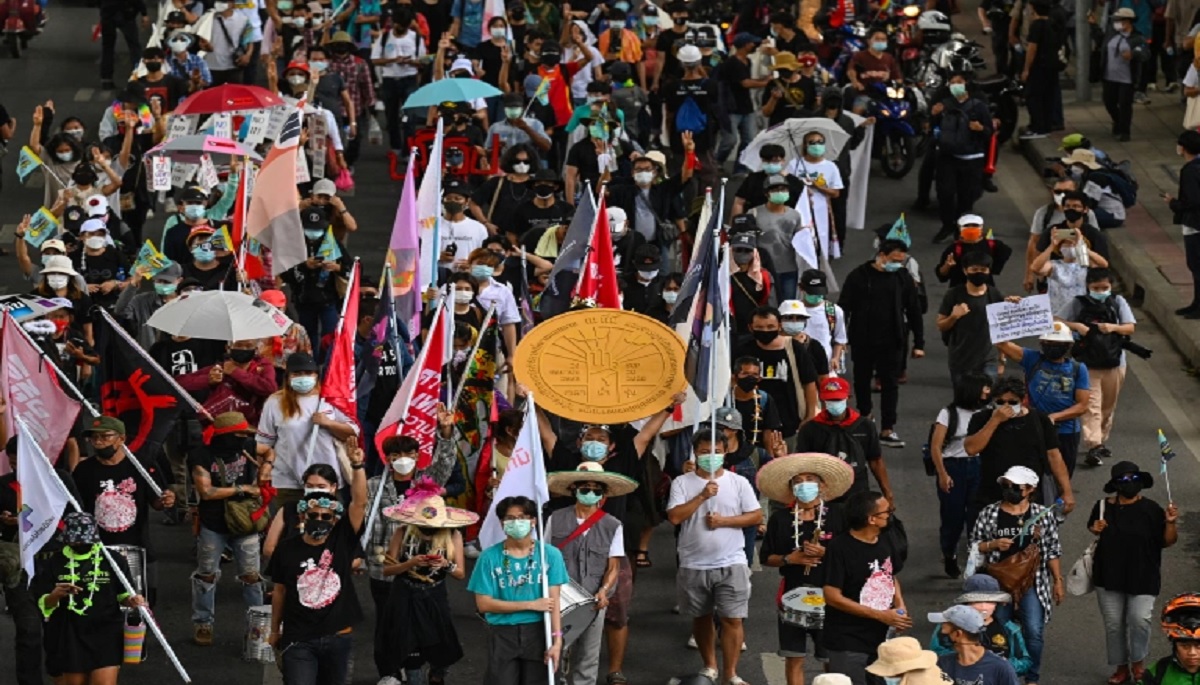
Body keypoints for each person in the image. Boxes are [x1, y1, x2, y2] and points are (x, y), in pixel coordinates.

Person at [666, 431, 763, 685]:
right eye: (706, 452)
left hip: (731, 561)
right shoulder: (682, 483)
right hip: (693, 562)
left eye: (717, 452)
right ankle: (709, 666)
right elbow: (675, 517)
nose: (712, 456)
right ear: (695, 453)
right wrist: (701, 497)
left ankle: (731, 673)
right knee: (701, 617)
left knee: (733, 617)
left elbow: (755, 516)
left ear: (726, 452)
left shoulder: (738, 482)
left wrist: (724, 522)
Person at [266, 445, 367, 685]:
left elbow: (360, 503)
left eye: (326, 517)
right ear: (302, 517)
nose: (319, 520)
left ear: (334, 520)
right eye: (313, 516)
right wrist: (273, 630)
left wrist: (357, 466)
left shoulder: (342, 539)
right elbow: (280, 591)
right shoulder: (286, 549)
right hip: (298, 637)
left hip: (338, 636)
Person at [757, 453, 855, 685]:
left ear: (822, 485)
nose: (804, 485)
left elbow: (854, 553)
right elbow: (766, 557)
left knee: (831, 656)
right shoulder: (780, 519)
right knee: (794, 656)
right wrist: (790, 559)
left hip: (831, 595)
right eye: (798, 481)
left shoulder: (840, 515)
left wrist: (826, 553)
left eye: (810, 478)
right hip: (792, 594)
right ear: (791, 488)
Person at [969, 466, 1064, 685]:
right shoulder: (990, 513)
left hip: (1032, 582)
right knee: (997, 629)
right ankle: (1002, 676)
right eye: (1006, 485)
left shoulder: (1042, 515)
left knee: (1034, 631)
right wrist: (992, 544)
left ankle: (1031, 678)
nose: (1009, 490)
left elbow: (1052, 550)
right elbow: (974, 545)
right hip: (997, 585)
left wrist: (1057, 581)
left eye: (1015, 486)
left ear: (1030, 489)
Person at [376, 477, 476, 685]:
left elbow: (459, 573)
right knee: (409, 648)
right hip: (405, 594)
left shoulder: (453, 534)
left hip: (434, 594)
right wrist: (410, 563)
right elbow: (386, 570)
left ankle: (437, 673)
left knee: (443, 646)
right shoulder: (403, 532)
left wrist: (444, 565)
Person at [546, 463, 638, 685]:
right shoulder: (555, 518)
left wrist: (604, 591)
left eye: (596, 489)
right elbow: (544, 556)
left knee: (589, 656)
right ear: (574, 489)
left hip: (592, 599)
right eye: (585, 487)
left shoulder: (612, 525)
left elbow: (613, 565)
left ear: (603, 495)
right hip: (559, 597)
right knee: (553, 649)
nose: (590, 493)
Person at [1088, 461, 1179, 684]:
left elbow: (1167, 542)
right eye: (1124, 480)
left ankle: (1138, 665)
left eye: (1134, 479)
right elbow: (1092, 528)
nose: (1130, 483)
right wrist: (1095, 528)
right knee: (1113, 625)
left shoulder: (1152, 510)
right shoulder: (1102, 507)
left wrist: (1170, 523)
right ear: (1115, 484)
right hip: (1108, 576)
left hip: (1143, 575)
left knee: (1139, 620)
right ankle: (1121, 668)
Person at [31, 512, 147, 684]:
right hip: (69, 632)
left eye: (85, 540)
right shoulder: (53, 562)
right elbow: (43, 604)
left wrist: (132, 601)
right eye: (76, 540)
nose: (80, 543)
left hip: (105, 630)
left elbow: (123, 594)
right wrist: (55, 596)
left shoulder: (113, 560)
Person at [71, 416, 175, 605]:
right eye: (93, 438)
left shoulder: (141, 466)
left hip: (138, 547)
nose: (99, 442)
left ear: (121, 438)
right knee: (102, 602)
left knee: (143, 603)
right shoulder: (83, 470)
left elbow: (157, 503)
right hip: (98, 549)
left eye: (105, 436)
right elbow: (78, 510)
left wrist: (167, 500)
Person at [188, 411, 271, 646]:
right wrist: (244, 489)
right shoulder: (201, 455)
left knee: (252, 577)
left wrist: (267, 467)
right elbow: (206, 492)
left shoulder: (246, 445)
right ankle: (203, 622)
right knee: (206, 574)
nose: (243, 439)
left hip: (245, 523)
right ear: (225, 436)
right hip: (213, 523)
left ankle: (258, 627)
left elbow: (268, 450)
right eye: (239, 435)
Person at [467, 495, 567, 684]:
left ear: (533, 521)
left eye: (522, 517)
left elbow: (554, 602)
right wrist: (531, 604)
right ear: (502, 523)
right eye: (510, 518)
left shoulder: (550, 554)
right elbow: (483, 604)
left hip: (539, 631)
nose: (517, 522)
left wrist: (557, 641)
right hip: (502, 632)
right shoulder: (488, 557)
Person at [839, 240, 926, 448]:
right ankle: (866, 418)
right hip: (862, 339)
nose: (897, 264)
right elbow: (844, 308)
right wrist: (840, 339)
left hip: (893, 340)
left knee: (890, 384)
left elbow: (914, 310)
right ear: (881, 255)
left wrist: (919, 342)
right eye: (894, 260)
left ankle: (888, 428)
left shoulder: (902, 277)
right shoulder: (859, 276)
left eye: (901, 261)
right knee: (861, 381)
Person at [822, 490, 910, 684]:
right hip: (848, 641)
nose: (890, 515)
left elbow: (890, 575)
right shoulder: (839, 548)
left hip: (880, 639)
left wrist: (899, 606)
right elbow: (831, 595)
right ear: (871, 519)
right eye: (887, 512)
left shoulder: (885, 539)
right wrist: (881, 615)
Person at [963, 376, 1075, 522]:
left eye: (1012, 402)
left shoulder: (1040, 420)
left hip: (1031, 495)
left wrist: (1067, 491)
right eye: (1000, 402)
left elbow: (1054, 456)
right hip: (992, 493)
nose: (1006, 406)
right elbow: (971, 448)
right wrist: (995, 421)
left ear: (1023, 401)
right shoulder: (982, 418)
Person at [995, 322, 1090, 493]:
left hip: (1065, 432)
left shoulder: (1078, 369)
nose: (1053, 348)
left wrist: (1054, 417)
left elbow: (1082, 405)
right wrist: (1009, 311)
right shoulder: (1032, 359)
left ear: (1068, 346)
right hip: (1034, 427)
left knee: (1062, 478)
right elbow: (1001, 343)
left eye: (1058, 345)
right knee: (1030, 476)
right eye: (1049, 344)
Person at [256, 353, 359, 509]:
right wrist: (264, 469)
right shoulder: (274, 402)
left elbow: (351, 433)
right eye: (297, 373)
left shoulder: (330, 399)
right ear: (288, 376)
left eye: (308, 373)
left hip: (326, 481)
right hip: (288, 482)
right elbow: (264, 443)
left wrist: (329, 423)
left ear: (316, 375)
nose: (303, 377)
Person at [1058, 269, 1136, 468]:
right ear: (1088, 287)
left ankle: (1100, 440)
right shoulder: (1078, 302)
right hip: (1087, 363)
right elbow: (1056, 320)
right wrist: (1076, 326)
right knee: (1092, 405)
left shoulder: (1118, 302)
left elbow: (1130, 327)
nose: (1100, 291)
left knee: (1107, 406)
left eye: (1105, 288)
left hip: (1115, 362)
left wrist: (1113, 328)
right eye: (1096, 288)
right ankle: (1094, 444)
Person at [930, 374, 992, 578]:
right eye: (984, 387)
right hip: (954, 467)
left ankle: (976, 559)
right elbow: (936, 446)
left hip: (979, 465)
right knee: (953, 518)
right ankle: (949, 553)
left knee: (978, 517)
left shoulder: (988, 412)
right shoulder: (948, 413)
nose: (988, 391)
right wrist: (942, 474)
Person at [732, 306, 820, 449]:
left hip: (789, 422)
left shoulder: (794, 348)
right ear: (750, 327)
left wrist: (810, 416)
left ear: (779, 326)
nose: (765, 331)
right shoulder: (742, 350)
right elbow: (732, 381)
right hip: (752, 423)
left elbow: (809, 383)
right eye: (759, 327)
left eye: (770, 326)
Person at [794, 377, 892, 504]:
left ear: (848, 398)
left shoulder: (865, 426)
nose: (834, 403)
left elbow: (875, 461)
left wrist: (888, 493)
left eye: (837, 399)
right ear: (822, 400)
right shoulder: (810, 429)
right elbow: (803, 465)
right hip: (825, 494)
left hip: (858, 491)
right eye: (830, 400)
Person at [930, 73, 994, 243]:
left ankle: (961, 227)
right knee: (945, 192)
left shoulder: (979, 107)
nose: (955, 85)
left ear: (966, 84)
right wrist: (934, 115)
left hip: (972, 158)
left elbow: (990, 133)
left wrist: (980, 128)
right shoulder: (944, 105)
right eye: (952, 83)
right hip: (948, 156)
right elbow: (934, 129)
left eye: (959, 82)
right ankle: (947, 224)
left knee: (967, 195)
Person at [929, 575, 1033, 677]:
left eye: (989, 602)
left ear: (997, 603)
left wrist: (1003, 665)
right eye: (977, 601)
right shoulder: (949, 625)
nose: (983, 607)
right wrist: (963, 658)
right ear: (966, 603)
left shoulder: (1009, 629)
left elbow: (1025, 662)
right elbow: (934, 655)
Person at [937, 251, 1006, 386]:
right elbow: (941, 325)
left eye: (983, 270)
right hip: (961, 360)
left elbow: (1003, 329)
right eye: (974, 269)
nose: (979, 273)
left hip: (988, 359)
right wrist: (954, 316)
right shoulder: (953, 295)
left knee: (988, 399)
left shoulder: (994, 294)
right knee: (964, 401)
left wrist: (1002, 359)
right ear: (965, 271)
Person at [1029, 210, 1110, 317]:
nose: (1070, 246)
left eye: (1073, 244)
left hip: (1080, 314)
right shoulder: (1054, 266)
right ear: (1060, 248)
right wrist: (1052, 246)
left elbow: (1103, 264)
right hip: (1057, 315)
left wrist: (1081, 244)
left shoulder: (1084, 264)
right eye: (1066, 244)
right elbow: (1035, 268)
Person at [717, 33, 769, 171]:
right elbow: (745, 83)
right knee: (730, 140)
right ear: (745, 45)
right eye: (752, 43)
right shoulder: (732, 63)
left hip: (746, 106)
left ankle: (740, 167)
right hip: (731, 107)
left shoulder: (747, 61)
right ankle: (718, 161)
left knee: (749, 139)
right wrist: (765, 82)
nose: (754, 46)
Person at [930, 605, 1022, 684]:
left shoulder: (1000, 668)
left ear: (958, 634)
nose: (941, 634)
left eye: (944, 631)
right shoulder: (942, 664)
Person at [1164, 130, 1200, 319]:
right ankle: (1196, 303)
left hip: (1195, 224)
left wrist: (1173, 203)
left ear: (1183, 148)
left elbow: (1193, 200)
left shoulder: (1189, 170)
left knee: (1196, 264)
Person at [1017, 0, 1062, 140]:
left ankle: (1038, 127)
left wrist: (1026, 69)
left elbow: (1032, 48)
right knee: (1048, 96)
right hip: (1052, 66)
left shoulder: (1037, 26)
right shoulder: (1053, 24)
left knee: (1033, 96)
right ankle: (1046, 126)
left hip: (1038, 67)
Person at [1101, 8, 1148, 142]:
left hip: (1126, 78)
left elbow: (1145, 54)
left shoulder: (1137, 38)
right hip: (1109, 76)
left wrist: (1133, 55)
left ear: (1128, 22)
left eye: (1119, 21)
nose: (1116, 24)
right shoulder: (1112, 34)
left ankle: (1124, 131)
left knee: (1125, 104)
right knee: (1109, 102)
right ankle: (1118, 121)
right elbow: (1101, 42)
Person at [935, 214, 1014, 288]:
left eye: (975, 226)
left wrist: (993, 268)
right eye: (967, 226)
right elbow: (942, 275)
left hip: (986, 289)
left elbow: (1005, 253)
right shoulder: (953, 249)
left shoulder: (994, 245)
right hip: (960, 289)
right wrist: (947, 266)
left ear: (981, 227)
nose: (971, 229)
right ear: (959, 228)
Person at [1140, 593, 1200, 684]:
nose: (1192, 653)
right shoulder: (1157, 672)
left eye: (1198, 646)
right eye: (1184, 646)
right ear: (1175, 645)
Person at [731, 144, 807, 215]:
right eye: (767, 161)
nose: (771, 164)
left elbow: (802, 206)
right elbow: (739, 203)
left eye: (775, 161)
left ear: (783, 161)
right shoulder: (752, 179)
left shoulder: (794, 182)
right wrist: (735, 225)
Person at [800, 269, 847, 373]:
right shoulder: (793, 311)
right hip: (800, 364)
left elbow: (840, 340)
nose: (816, 296)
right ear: (801, 288)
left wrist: (835, 358)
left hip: (826, 366)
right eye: (812, 293)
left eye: (819, 293)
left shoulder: (833, 311)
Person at [847, 28, 901, 93]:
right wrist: (855, 82)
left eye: (883, 40)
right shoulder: (859, 56)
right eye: (877, 39)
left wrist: (898, 86)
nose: (880, 41)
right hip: (864, 91)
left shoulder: (889, 58)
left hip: (885, 92)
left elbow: (897, 77)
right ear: (869, 41)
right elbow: (851, 70)